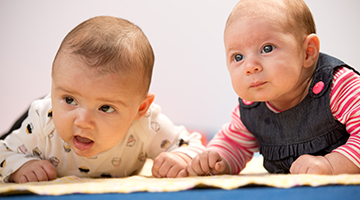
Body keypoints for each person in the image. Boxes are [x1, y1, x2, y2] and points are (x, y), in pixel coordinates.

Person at [0, 16, 205, 183]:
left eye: (105, 107)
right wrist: (20, 166)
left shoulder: (146, 125)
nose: (82, 121)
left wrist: (180, 157)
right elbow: (3, 152)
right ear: (53, 86)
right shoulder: (43, 121)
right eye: (69, 99)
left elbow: (194, 146)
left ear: (140, 109)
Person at [187, 0, 360, 176]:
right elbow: (234, 143)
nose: (250, 66)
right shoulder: (252, 107)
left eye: (267, 48)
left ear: (308, 52)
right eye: (238, 57)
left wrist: (331, 165)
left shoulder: (338, 86)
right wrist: (217, 160)